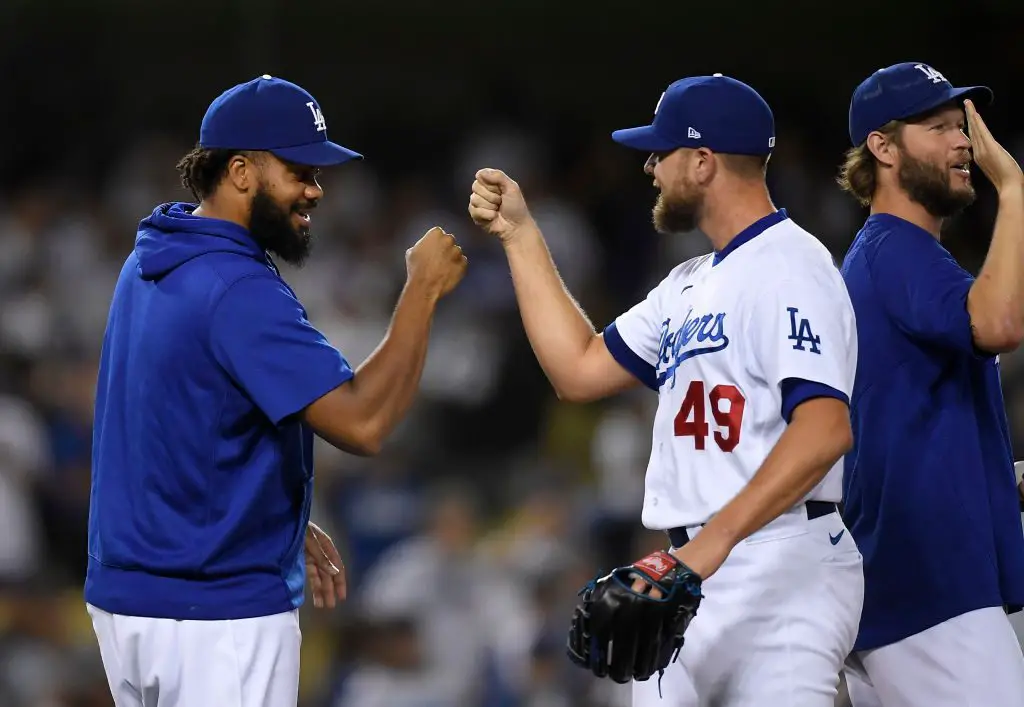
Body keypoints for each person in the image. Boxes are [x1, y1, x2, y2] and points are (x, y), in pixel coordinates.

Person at [468, 73, 864, 706]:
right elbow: (578, 368)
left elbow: (825, 429)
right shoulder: (687, 281)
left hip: (783, 560)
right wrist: (520, 236)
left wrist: (701, 554)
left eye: (662, 151)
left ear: (703, 162)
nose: (649, 166)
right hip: (687, 572)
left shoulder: (792, 264)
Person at [84, 75, 467, 707]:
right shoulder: (237, 286)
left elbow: (170, 424)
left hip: (129, 605)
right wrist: (421, 293)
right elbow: (362, 424)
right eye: (298, 170)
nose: (315, 190)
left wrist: (276, 513)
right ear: (240, 171)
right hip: (215, 617)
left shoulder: (152, 257)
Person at [836, 61, 1024, 707]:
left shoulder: (891, 255)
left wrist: (1004, 473)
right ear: (882, 148)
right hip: (929, 593)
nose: (965, 142)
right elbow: (998, 323)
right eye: (940, 126)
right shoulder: (894, 248)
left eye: (962, 125)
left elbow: (909, 419)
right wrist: (1017, 189)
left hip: (909, 592)